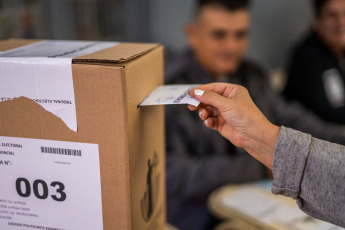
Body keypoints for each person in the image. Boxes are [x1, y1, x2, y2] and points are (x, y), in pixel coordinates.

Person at [165, 0, 345, 229]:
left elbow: (295, 119)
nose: (231, 47)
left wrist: (339, 138)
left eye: (240, 35)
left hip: (262, 201)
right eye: (219, 35)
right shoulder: (169, 91)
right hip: (202, 215)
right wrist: (266, 162)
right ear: (192, 34)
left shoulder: (253, 75)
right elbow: (175, 175)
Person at [188, 82, 345, 228]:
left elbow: (301, 121)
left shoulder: (255, 78)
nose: (231, 49)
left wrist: (266, 149)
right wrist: (264, 158)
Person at [284, 0, 345, 124]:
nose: (341, 22)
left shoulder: (339, 51)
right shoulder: (307, 57)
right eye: (332, 15)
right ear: (317, 21)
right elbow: (327, 114)